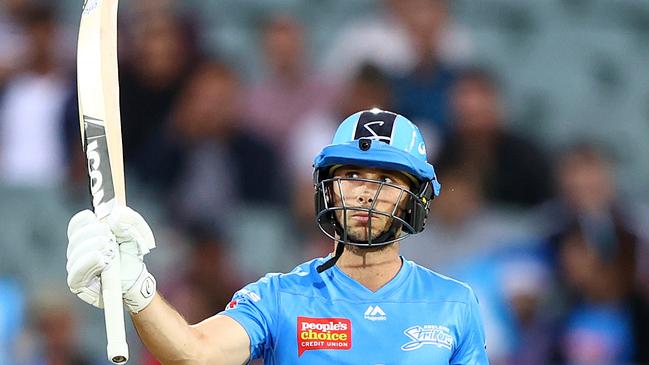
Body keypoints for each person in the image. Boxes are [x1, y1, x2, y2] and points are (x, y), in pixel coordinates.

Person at [65, 109, 489, 364]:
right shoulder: (279, 298)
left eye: (386, 179)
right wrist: (136, 288)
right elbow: (193, 354)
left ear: (413, 199)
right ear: (328, 187)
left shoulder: (454, 304)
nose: (366, 191)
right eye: (353, 175)